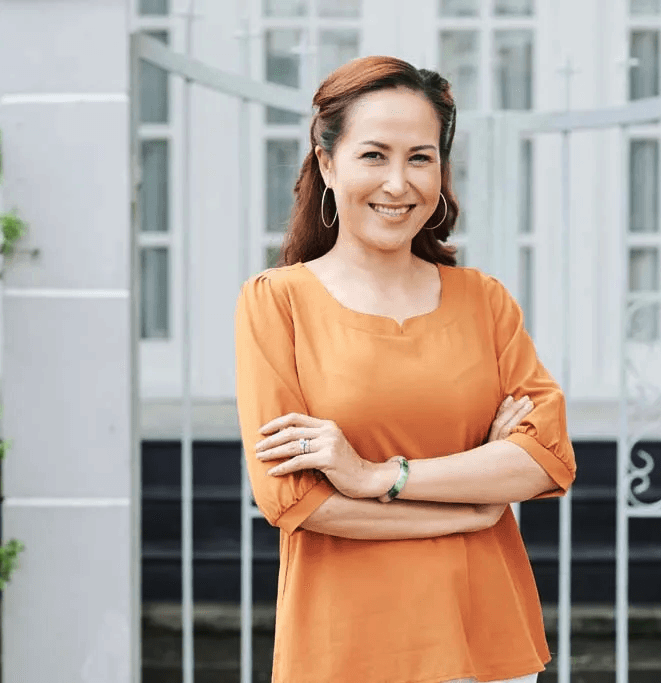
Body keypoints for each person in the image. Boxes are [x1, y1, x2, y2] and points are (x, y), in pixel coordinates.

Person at [233, 55, 576, 683]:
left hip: (486, 641)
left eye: (421, 157)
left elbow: (545, 457)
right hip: (346, 647)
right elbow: (294, 500)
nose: (399, 183)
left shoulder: (485, 300)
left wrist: (371, 477)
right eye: (374, 155)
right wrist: (474, 507)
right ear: (328, 164)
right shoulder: (276, 300)